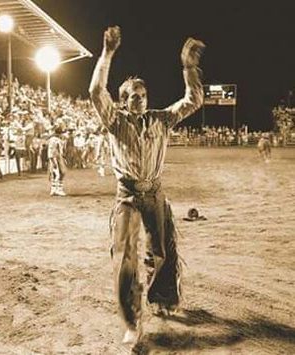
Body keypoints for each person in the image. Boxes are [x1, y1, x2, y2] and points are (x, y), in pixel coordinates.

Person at [89, 26, 205, 345]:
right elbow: (96, 92)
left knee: (161, 251)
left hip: (154, 192)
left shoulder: (161, 119)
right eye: (132, 96)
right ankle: (132, 320)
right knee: (125, 255)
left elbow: (193, 100)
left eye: (142, 95)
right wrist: (108, 53)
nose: (139, 99)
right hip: (127, 195)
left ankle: (161, 298)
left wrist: (189, 68)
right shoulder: (115, 122)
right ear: (123, 102)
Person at [47, 126, 66, 196]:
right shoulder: (54, 140)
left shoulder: (56, 140)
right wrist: (53, 159)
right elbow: (52, 150)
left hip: (57, 157)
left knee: (58, 173)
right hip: (55, 157)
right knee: (58, 173)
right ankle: (57, 189)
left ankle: (54, 188)